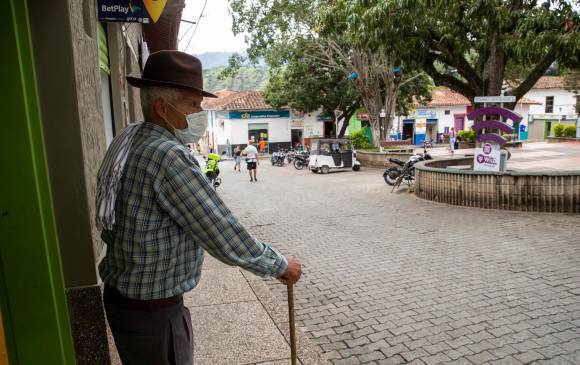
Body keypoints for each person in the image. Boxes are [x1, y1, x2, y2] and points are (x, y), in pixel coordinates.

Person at [95, 50, 301, 365]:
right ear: (163, 108)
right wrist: (279, 265)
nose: (200, 114)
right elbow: (220, 230)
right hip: (153, 312)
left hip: (126, 299)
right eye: (194, 105)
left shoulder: (127, 137)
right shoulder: (167, 156)